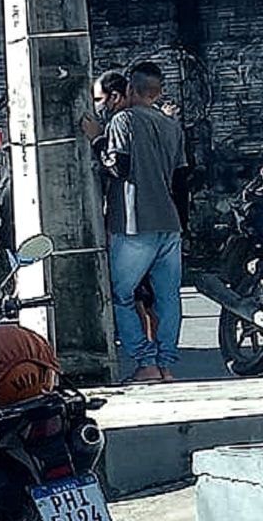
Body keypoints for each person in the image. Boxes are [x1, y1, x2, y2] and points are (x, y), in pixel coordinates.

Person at [95, 62, 187, 384]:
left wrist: (96, 141)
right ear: (158, 92)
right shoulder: (171, 125)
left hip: (135, 223)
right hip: (169, 223)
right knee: (168, 297)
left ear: (131, 90)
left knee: (121, 295)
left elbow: (116, 167)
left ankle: (146, 364)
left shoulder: (123, 120)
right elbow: (181, 177)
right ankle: (165, 365)